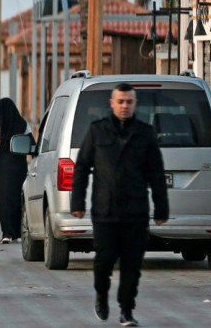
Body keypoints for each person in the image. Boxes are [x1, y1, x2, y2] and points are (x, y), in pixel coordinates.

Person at [70, 83, 169, 326]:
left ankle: (127, 309)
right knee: (103, 260)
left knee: (132, 264)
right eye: (121, 101)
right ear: (112, 103)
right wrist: (78, 201)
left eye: (129, 102)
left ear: (135, 104)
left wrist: (161, 208)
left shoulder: (145, 133)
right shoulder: (97, 131)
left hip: (135, 211)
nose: (125, 106)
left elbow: (156, 173)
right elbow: (81, 167)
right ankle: (101, 295)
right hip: (105, 210)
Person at [0, 98, 33, 244]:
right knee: (16, 199)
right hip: (18, 169)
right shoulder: (22, 125)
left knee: (1, 200)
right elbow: (32, 146)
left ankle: (6, 232)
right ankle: (15, 231)